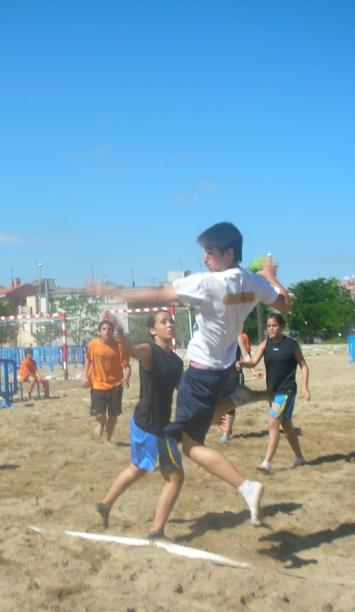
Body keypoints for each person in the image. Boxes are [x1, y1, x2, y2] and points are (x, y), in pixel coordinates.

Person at [89, 222, 292, 526]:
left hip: (200, 374)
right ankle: (236, 398)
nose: (205, 259)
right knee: (200, 422)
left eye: (210, 253)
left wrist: (109, 291)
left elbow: (158, 295)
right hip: (224, 372)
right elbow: (285, 305)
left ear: (229, 253)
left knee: (191, 446)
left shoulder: (208, 284)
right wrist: (272, 276)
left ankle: (247, 488)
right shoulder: (255, 283)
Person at [95, 311, 185, 541]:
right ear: (153, 330)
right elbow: (133, 352)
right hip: (150, 425)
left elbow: (185, 391)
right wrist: (121, 332)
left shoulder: (176, 361)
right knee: (175, 477)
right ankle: (156, 531)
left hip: (155, 423)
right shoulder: (149, 350)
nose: (169, 324)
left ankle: (105, 505)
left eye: (171, 321)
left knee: (138, 468)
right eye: (163, 322)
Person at [239, 313, 310, 472]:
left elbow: (303, 365)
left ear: (282, 326)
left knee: (273, 422)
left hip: (287, 390)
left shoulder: (292, 345)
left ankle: (267, 462)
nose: (271, 329)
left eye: (274, 325)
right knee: (286, 424)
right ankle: (299, 457)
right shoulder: (265, 344)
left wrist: (305, 386)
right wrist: (243, 364)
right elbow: (253, 361)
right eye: (269, 326)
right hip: (272, 391)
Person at [82, 320, 131, 446]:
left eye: (109, 328)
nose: (107, 330)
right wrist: (85, 376)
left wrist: (126, 378)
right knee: (100, 415)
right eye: (104, 328)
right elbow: (88, 360)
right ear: (99, 332)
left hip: (115, 385)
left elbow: (127, 366)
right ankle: (101, 423)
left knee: (113, 415)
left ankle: (107, 440)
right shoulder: (93, 345)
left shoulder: (119, 346)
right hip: (97, 384)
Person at [217, 333, 264, 443]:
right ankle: (227, 426)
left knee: (229, 403)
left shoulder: (237, 336)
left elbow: (246, 355)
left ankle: (227, 432)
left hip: (234, 373)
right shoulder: (218, 333)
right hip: (219, 373)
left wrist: (253, 371)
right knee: (219, 401)